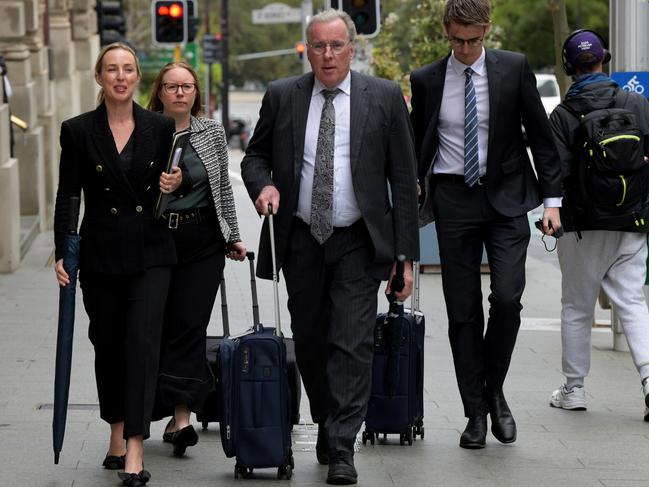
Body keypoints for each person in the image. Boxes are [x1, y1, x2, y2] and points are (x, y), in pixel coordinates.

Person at [241, 8, 419, 485]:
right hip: (300, 238)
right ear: (307, 49)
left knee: (352, 341)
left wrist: (406, 257)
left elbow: (403, 180)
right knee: (313, 341)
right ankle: (326, 417)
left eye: (336, 45)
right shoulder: (283, 95)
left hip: (359, 241)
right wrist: (263, 187)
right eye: (317, 46)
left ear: (351, 49)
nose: (327, 55)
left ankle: (342, 444)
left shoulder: (381, 97)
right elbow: (255, 155)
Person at [410, 0, 563, 449]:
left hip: (507, 197)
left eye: (473, 40)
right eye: (457, 40)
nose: (465, 49)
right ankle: (475, 413)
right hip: (453, 197)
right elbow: (419, 139)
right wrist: (412, 192)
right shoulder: (427, 79)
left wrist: (552, 201)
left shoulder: (513, 68)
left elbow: (540, 135)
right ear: (446, 32)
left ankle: (491, 387)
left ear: (487, 30)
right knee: (462, 313)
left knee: (509, 298)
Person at [53, 43, 182, 487]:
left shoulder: (161, 127)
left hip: (151, 251)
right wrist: (61, 252)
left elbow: (173, 191)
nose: (121, 76)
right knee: (107, 345)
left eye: (128, 69)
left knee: (142, 346)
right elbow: (69, 194)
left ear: (137, 78)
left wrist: (174, 183)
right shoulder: (78, 130)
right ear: (100, 77)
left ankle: (134, 450)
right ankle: (115, 430)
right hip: (101, 253)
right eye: (112, 69)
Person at [547, 30, 649, 418]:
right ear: (604, 59)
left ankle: (573, 390)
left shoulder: (564, 114)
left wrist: (551, 210)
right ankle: (648, 379)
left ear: (569, 68)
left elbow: (553, 170)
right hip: (631, 219)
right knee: (633, 301)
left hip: (582, 225)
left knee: (576, 306)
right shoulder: (637, 103)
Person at [146, 62, 247, 456]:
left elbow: (223, 188)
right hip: (158, 239)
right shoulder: (146, 129)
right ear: (160, 92)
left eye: (186, 86)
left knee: (190, 327)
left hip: (203, 239)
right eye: (171, 86)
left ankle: (183, 416)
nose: (179, 93)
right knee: (158, 324)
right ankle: (163, 409)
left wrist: (233, 236)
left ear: (196, 93)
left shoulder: (212, 132)